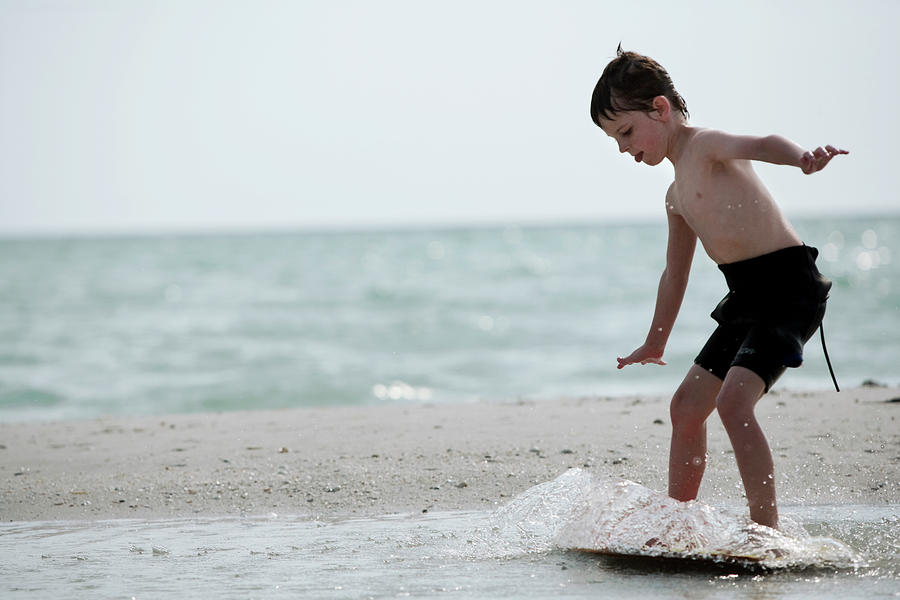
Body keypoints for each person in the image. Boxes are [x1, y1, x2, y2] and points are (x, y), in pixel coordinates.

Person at [590, 46, 847, 529]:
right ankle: (677, 522)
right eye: (614, 140)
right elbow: (676, 274)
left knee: (732, 402)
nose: (623, 147)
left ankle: (765, 531)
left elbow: (763, 142)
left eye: (625, 132)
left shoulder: (706, 146)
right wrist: (656, 340)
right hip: (747, 299)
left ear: (660, 109)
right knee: (686, 407)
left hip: (789, 289)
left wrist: (802, 160)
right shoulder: (675, 197)